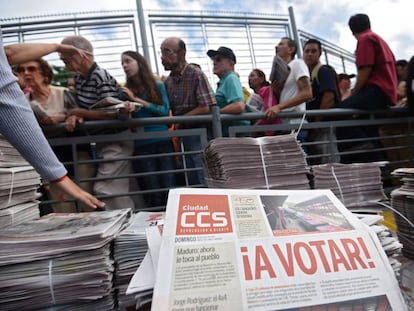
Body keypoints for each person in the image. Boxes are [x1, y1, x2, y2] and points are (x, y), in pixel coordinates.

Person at [1, 32, 104, 210]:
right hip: (47, 156)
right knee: (63, 207)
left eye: (32, 69)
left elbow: (79, 113)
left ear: (45, 74)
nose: (26, 73)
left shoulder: (63, 93)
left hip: (75, 153)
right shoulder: (21, 100)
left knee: (86, 199)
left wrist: (69, 117)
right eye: (21, 70)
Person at [60, 35, 135, 210]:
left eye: (66, 54)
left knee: (106, 190)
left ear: (83, 54)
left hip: (115, 140)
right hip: (103, 142)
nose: (62, 59)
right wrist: (76, 115)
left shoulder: (100, 76)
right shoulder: (79, 78)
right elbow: (83, 109)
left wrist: (79, 112)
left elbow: (111, 113)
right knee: (121, 190)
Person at [335, 14, 397, 163]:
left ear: (352, 31)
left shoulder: (365, 40)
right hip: (386, 92)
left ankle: (365, 152)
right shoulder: (380, 40)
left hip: (377, 90)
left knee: (338, 112)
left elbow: (365, 70)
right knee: (368, 128)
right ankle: (380, 165)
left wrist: (354, 94)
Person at [120, 50, 176, 208]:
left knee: (169, 186)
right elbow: (121, 118)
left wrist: (135, 100)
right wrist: (124, 109)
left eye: (128, 61)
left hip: (163, 142)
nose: (124, 65)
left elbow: (164, 111)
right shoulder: (124, 91)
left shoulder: (157, 85)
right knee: (151, 190)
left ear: (139, 63)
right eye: (122, 63)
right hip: (141, 145)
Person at [161, 37, 216, 186]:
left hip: (200, 133)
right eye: (161, 53)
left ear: (182, 53)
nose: (162, 57)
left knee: (202, 175)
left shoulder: (195, 74)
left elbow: (206, 107)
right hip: (183, 135)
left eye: (167, 52)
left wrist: (180, 120)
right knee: (190, 177)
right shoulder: (168, 81)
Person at [264, 37, 312, 143]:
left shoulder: (298, 63)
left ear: (291, 49)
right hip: (285, 126)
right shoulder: (285, 69)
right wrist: (277, 91)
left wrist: (279, 107)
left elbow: (307, 93)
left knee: (299, 159)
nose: (277, 47)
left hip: (296, 125)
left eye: (281, 44)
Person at [303, 38, 340, 164]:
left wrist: (319, 120)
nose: (309, 54)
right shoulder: (309, 74)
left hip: (324, 125)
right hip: (315, 126)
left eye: (313, 51)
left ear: (320, 53)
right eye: (307, 51)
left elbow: (329, 96)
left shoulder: (323, 71)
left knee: (329, 160)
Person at [207, 46, 250, 137]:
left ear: (231, 64)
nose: (214, 63)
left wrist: (215, 114)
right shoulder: (225, 81)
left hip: (236, 135)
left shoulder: (231, 78)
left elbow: (238, 106)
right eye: (213, 60)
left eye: (218, 59)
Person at [247, 68, 281, 136]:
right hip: (261, 130)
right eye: (249, 77)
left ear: (261, 79)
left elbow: (269, 109)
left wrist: (255, 128)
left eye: (252, 76)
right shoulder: (255, 96)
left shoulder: (267, 90)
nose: (249, 79)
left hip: (269, 131)